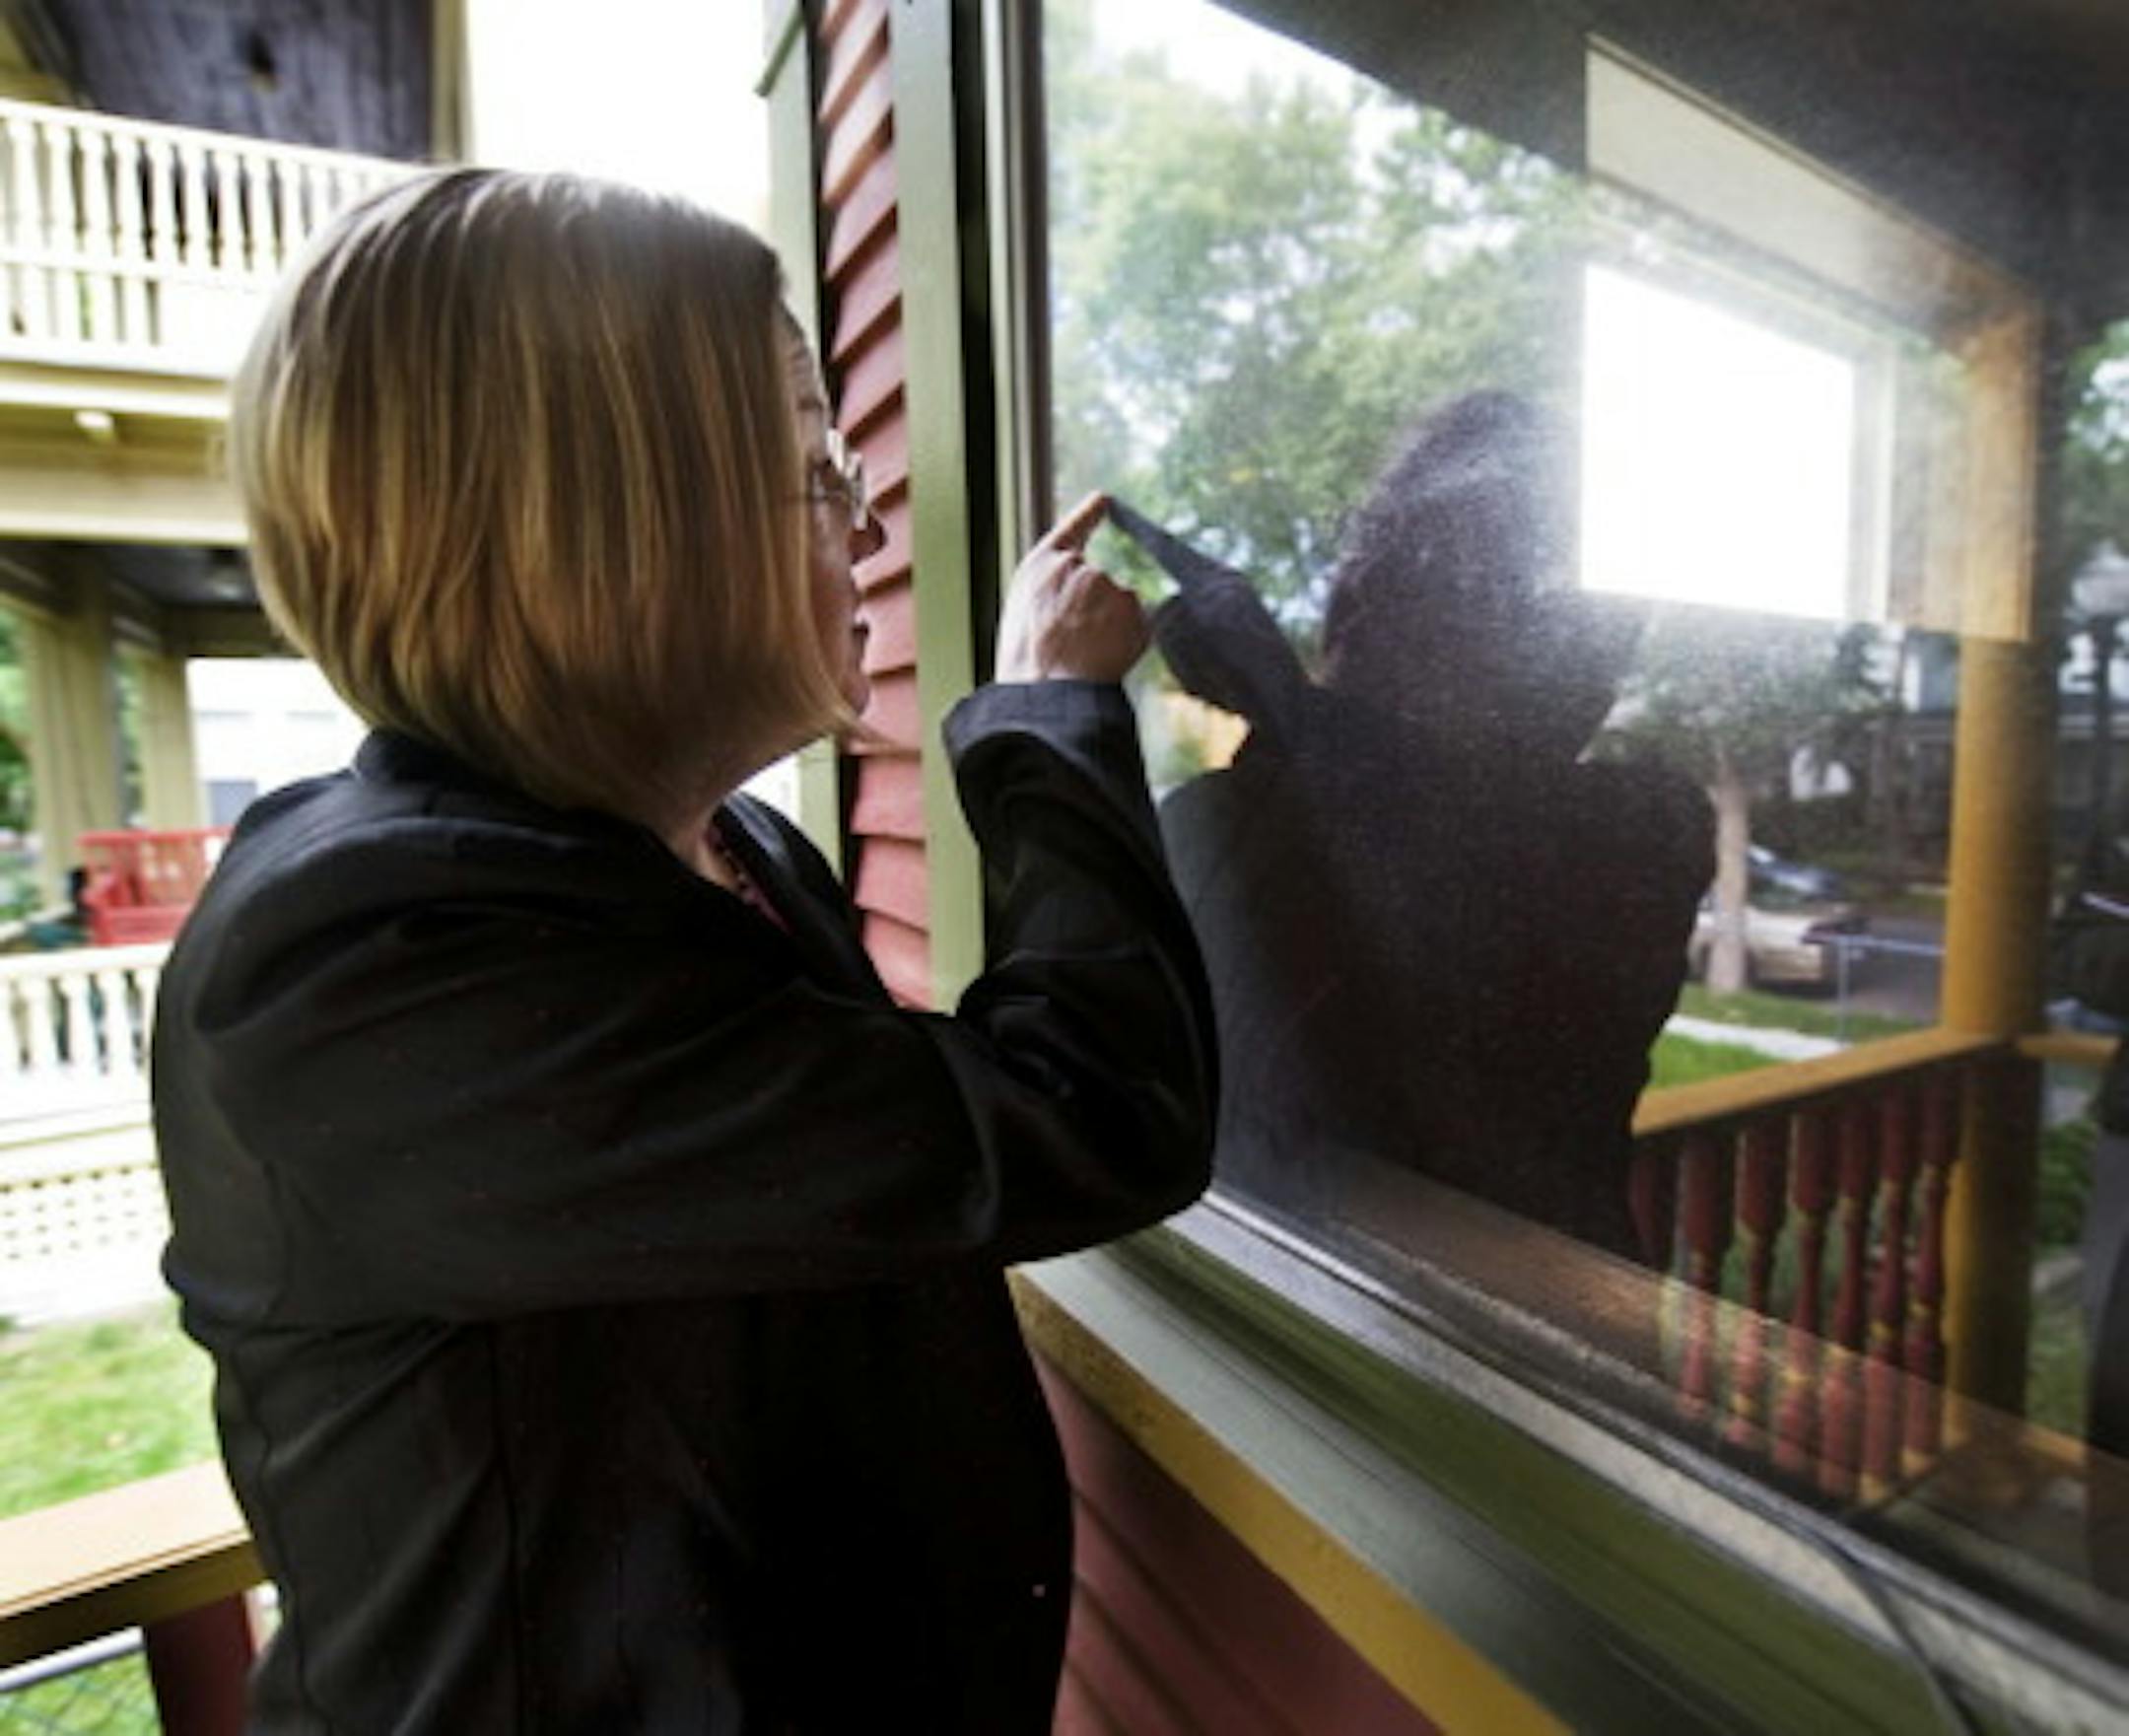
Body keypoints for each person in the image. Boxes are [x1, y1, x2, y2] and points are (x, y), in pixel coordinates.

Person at [152, 169, 1215, 1732]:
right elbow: (1082, 1112)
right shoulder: (364, 962)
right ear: (607, 523)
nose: (863, 519)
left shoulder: (737, 850)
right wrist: (1049, 721)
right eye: (806, 465)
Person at [1132, 390, 1710, 1260]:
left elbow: (1463, 853)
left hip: (1359, 1352)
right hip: (1546, 1336)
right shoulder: (1633, 838)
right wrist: (1294, 717)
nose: (1606, 664)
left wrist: (1293, 712)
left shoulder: (1634, 835)